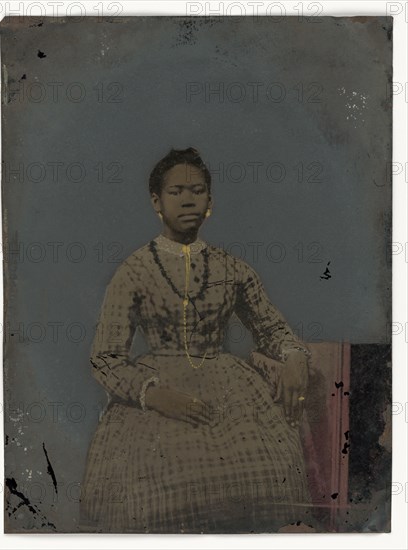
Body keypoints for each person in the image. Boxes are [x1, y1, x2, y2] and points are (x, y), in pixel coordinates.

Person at [79, 147, 312, 533]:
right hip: (155, 410)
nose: (188, 199)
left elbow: (272, 329)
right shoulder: (134, 271)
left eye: (198, 190)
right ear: (156, 201)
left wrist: (294, 357)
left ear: (210, 201)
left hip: (233, 400)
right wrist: (155, 396)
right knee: (157, 498)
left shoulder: (232, 268)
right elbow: (105, 358)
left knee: (260, 480)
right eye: (175, 191)